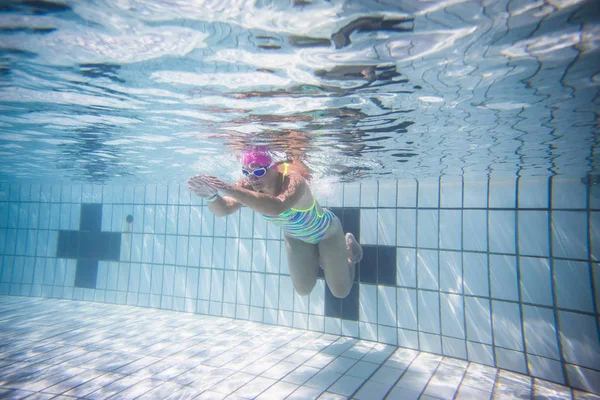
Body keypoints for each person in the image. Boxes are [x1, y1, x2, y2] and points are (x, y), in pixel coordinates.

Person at [187, 150, 363, 299]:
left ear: (274, 168)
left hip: (327, 232)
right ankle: (325, 258)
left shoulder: (294, 180)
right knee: (303, 290)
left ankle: (349, 254)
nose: (252, 178)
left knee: (340, 292)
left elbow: (277, 206)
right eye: (246, 172)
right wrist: (211, 196)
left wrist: (230, 190)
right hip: (295, 237)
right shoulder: (247, 185)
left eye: (259, 171)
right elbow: (223, 209)